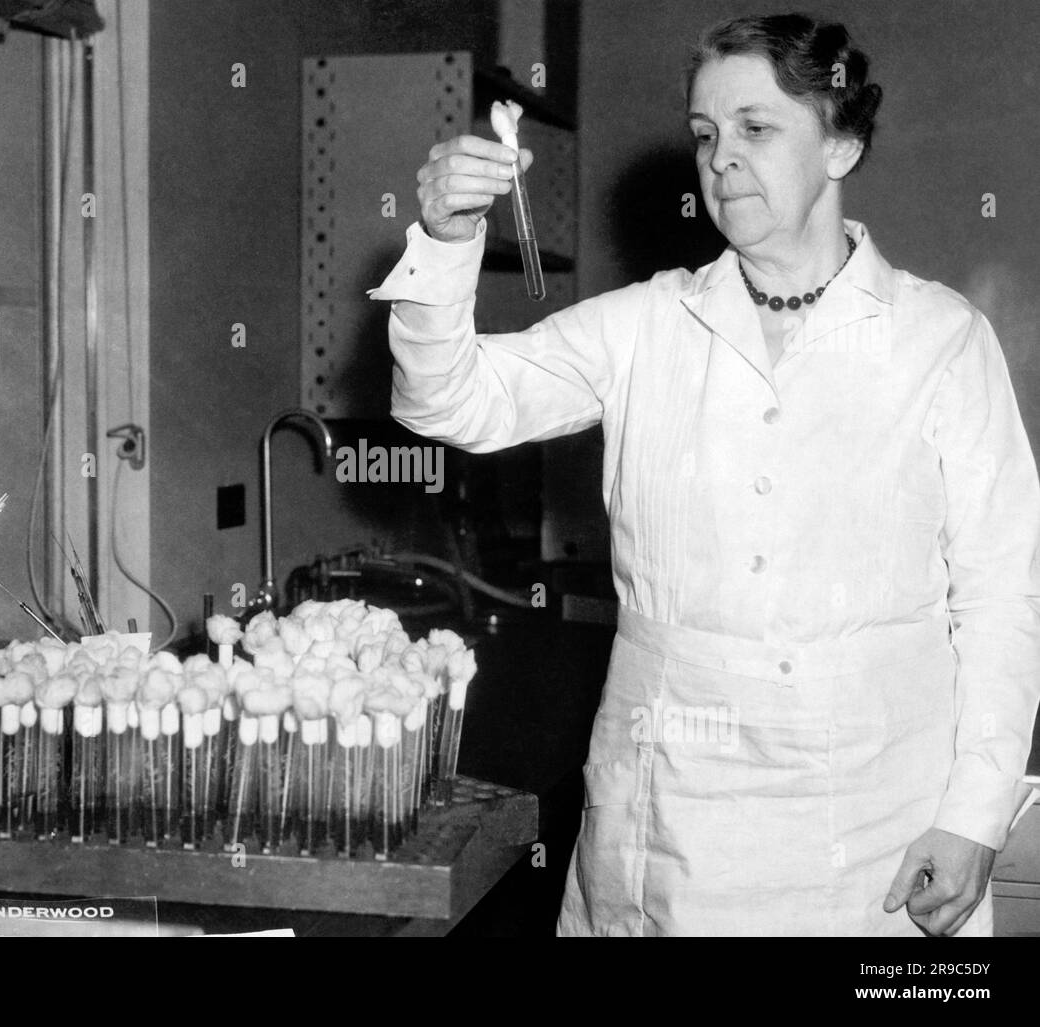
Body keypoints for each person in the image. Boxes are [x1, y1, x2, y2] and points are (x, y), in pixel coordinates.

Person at [369, 12, 1040, 936]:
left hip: (874, 846)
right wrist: (445, 239)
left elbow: (1005, 594)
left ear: (840, 144)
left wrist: (975, 813)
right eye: (705, 134)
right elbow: (448, 402)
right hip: (670, 840)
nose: (722, 157)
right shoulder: (646, 326)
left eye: (757, 128)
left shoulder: (941, 340)